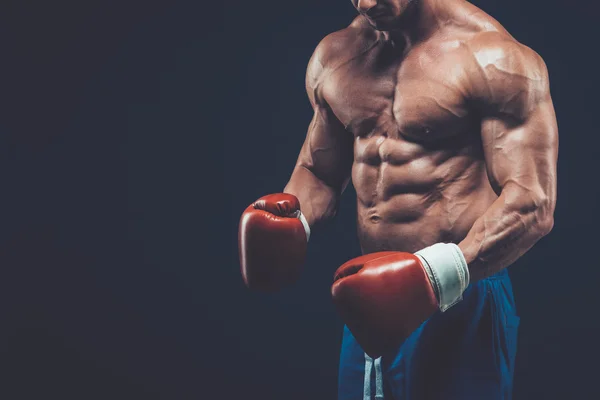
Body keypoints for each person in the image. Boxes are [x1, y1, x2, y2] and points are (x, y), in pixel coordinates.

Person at [238, 0, 558, 398]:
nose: (367, 4)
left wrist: (435, 277)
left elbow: (533, 203)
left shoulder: (492, 57)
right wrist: (291, 218)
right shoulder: (337, 55)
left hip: (460, 293)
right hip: (369, 299)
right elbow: (319, 173)